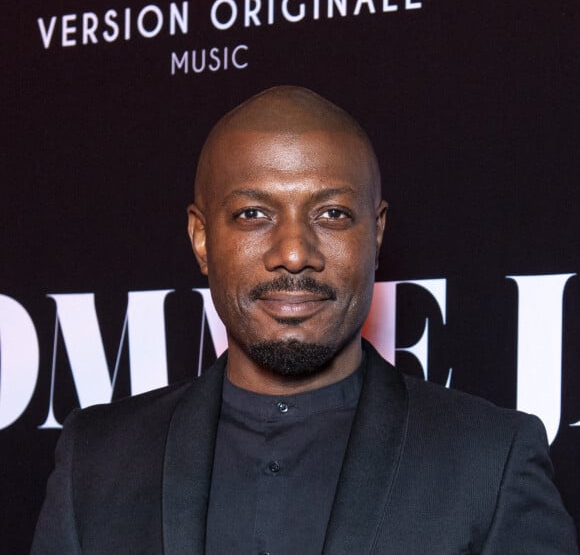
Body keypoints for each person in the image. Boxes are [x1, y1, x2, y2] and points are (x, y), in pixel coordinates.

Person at [31, 86, 578, 554]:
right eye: (254, 214)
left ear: (377, 234)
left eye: (332, 214)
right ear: (202, 239)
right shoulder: (95, 462)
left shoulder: (492, 459)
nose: (294, 252)